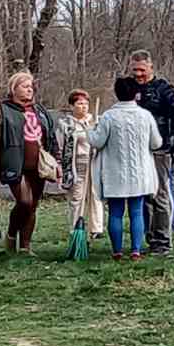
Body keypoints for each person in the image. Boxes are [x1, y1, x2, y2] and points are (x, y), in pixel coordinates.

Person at [0, 71, 61, 255]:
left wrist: (57, 161)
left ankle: (25, 246)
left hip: (38, 165)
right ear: (14, 89)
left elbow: (50, 136)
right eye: (25, 87)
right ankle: (11, 235)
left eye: (30, 87)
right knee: (25, 201)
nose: (29, 90)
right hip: (15, 164)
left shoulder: (39, 110)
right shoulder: (4, 110)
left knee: (33, 206)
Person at [90, 75, 163, 260]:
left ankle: (117, 251)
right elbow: (156, 143)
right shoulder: (145, 116)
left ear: (117, 93)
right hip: (140, 174)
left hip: (114, 175)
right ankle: (136, 250)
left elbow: (97, 142)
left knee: (115, 213)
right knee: (136, 212)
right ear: (136, 94)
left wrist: (90, 130)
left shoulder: (109, 116)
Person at [129, 50, 174, 256]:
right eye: (134, 70)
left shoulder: (163, 89)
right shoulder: (129, 88)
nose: (138, 74)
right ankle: (150, 237)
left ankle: (163, 240)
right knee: (143, 195)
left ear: (150, 67)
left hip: (160, 149)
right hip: (137, 150)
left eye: (142, 70)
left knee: (160, 194)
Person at [59, 90, 105, 238]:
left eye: (85, 103)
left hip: (94, 162)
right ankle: (75, 227)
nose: (83, 106)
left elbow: (102, 141)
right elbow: (62, 145)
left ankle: (96, 228)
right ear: (72, 106)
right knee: (77, 197)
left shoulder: (95, 121)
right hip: (76, 164)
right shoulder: (66, 124)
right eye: (79, 103)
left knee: (95, 195)